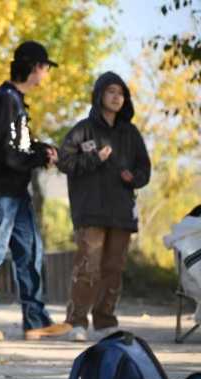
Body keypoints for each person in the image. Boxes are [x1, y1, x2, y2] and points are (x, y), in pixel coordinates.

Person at [0, 41, 72, 341]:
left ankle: (35, 321)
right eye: (45, 67)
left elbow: (17, 147)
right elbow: (2, 152)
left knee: (30, 254)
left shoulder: (17, 102)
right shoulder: (4, 101)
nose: (46, 73)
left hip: (17, 193)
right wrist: (38, 158)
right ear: (35, 67)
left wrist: (41, 150)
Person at [57, 71, 151, 342]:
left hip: (121, 212)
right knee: (88, 267)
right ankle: (77, 321)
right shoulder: (83, 130)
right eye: (111, 91)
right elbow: (65, 162)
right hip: (90, 211)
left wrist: (135, 178)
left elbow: (144, 167)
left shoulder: (130, 133)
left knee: (113, 269)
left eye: (121, 93)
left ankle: (104, 321)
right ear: (99, 95)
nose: (116, 97)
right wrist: (95, 159)